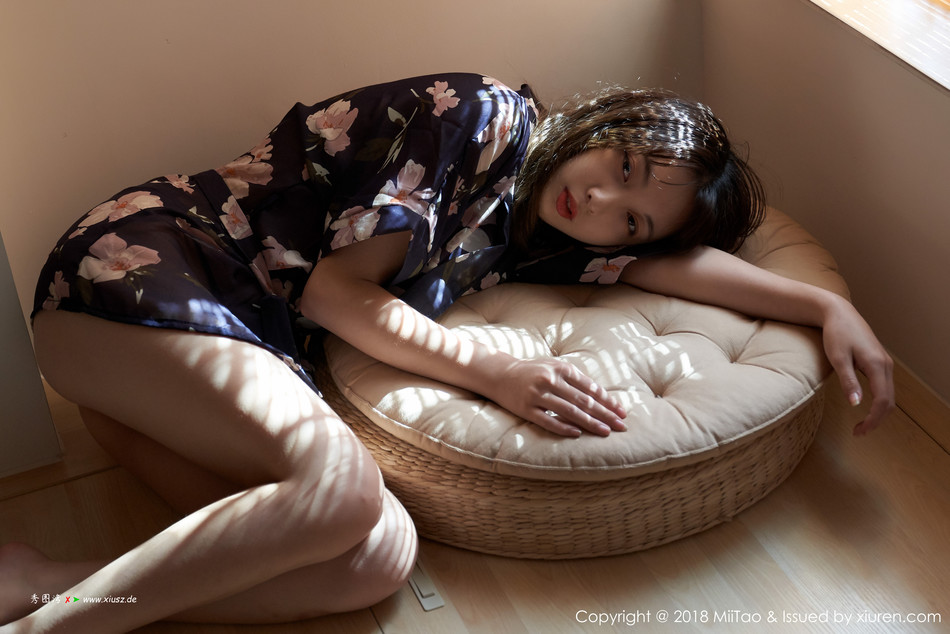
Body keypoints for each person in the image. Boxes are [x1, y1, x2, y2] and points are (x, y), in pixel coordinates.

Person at [1, 72, 893, 631]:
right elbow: (332, 293)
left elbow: (675, 267)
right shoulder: (482, 118)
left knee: (377, 559)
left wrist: (826, 307)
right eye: (621, 168)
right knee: (347, 490)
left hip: (164, 371)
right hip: (145, 269)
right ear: (605, 125)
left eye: (631, 220)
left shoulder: (540, 235)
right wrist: (496, 371)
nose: (601, 205)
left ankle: (53, 587)